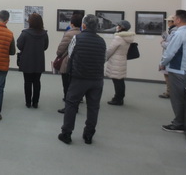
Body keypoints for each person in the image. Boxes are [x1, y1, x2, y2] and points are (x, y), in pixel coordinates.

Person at [58, 14, 106, 145]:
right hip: (97, 79)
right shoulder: (102, 41)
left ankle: (66, 133)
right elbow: (103, 59)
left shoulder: (76, 38)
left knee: (71, 104)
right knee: (93, 107)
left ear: (84, 25)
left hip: (79, 78)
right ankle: (88, 135)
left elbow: (71, 56)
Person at [159, 9, 186, 133]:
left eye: (174, 18)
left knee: (177, 98)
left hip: (177, 69)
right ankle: (183, 122)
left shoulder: (179, 34)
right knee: (183, 98)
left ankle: (178, 124)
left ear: (179, 20)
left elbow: (170, 51)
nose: (173, 20)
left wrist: (162, 63)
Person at [16, 13, 49, 108]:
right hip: (39, 61)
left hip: (27, 61)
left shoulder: (25, 33)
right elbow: (45, 47)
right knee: (37, 81)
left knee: (27, 82)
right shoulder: (44, 34)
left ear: (30, 22)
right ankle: (35, 102)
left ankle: (28, 102)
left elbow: (19, 45)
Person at [105, 20, 135, 106]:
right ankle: (120, 98)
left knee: (117, 81)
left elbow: (111, 50)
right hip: (121, 60)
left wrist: (105, 58)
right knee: (120, 80)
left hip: (115, 61)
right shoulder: (128, 38)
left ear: (122, 27)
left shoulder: (118, 37)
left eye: (118, 25)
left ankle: (117, 99)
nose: (117, 26)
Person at [56, 14, 82, 113]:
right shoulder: (82, 34)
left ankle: (68, 106)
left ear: (71, 24)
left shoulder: (69, 34)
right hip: (79, 63)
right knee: (76, 85)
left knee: (67, 85)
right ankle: (76, 105)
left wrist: (58, 54)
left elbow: (61, 49)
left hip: (67, 63)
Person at [159, 16, 177, 99]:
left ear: (173, 22)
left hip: (169, 56)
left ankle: (169, 92)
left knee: (168, 75)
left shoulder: (174, 31)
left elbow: (169, 45)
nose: (168, 23)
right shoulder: (171, 31)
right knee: (167, 75)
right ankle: (169, 91)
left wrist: (162, 43)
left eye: (169, 21)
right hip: (168, 55)